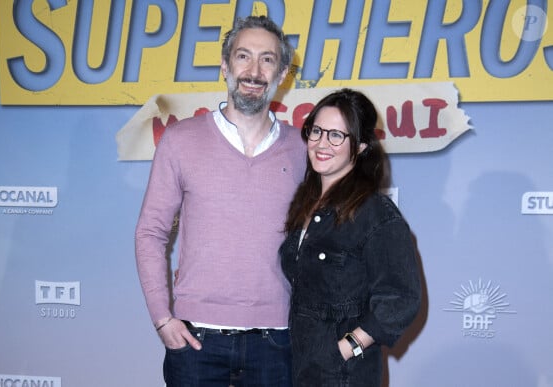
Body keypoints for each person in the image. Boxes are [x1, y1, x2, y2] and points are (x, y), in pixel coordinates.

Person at [135, 15, 306, 386]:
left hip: (278, 341)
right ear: (225, 66)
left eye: (267, 59)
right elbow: (151, 232)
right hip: (196, 342)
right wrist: (162, 318)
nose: (254, 70)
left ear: (282, 74)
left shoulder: (303, 148)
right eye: (243, 57)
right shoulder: (181, 140)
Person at [279, 88, 422, 386]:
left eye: (337, 135)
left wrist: (345, 349)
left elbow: (401, 298)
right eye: (316, 131)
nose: (322, 143)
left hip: (344, 374)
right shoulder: (305, 202)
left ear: (359, 146)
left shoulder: (375, 213)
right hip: (298, 366)